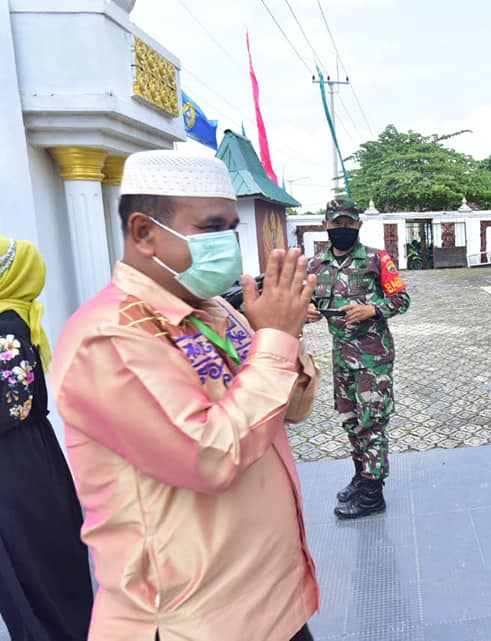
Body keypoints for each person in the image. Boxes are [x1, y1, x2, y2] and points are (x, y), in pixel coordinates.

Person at [50, 151, 320, 641]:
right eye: (211, 227)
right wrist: (275, 341)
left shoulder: (213, 309)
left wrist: (284, 337)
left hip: (271, 603)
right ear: (143, 232)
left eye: (231, 228)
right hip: (193, 621)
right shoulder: (109, 338)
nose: (229, 244)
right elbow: (209, 457)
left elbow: (292, 410)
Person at [0, 236, 93, 640]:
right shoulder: (14, 318)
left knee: (31, 563)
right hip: (25, 456)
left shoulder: (7, 326)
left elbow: (11, 407)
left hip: (14, 462)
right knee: (39, 560)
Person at [308, 197, 410, 519]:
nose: (342, 228)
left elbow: (402, 299)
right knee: (350, 422)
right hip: (341, 359)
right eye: (336, 223)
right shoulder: (315, 266)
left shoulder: (376, 259)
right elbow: (303, 301)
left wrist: (373, 309)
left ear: (358, 225)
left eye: (348, 223)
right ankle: (360, 474)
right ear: (326, 225)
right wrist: (304, 311)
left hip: (373, 359)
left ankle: (372, 494)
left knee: (372, 424)